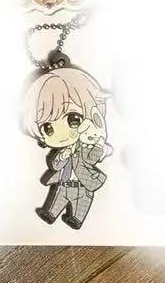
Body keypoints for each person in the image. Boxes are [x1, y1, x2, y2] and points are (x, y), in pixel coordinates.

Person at [22, 65, 109, 230]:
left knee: (82, 203)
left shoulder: (85, 146)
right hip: (63, 184)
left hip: (83, 185)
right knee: (58, 198)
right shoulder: (63, 150)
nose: (62, 135)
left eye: (73, 119)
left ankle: (76, 218)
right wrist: (63, 155)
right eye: (48, 128)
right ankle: (51, 213)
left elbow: (91, 159)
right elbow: (55, 166)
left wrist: (99, 145)